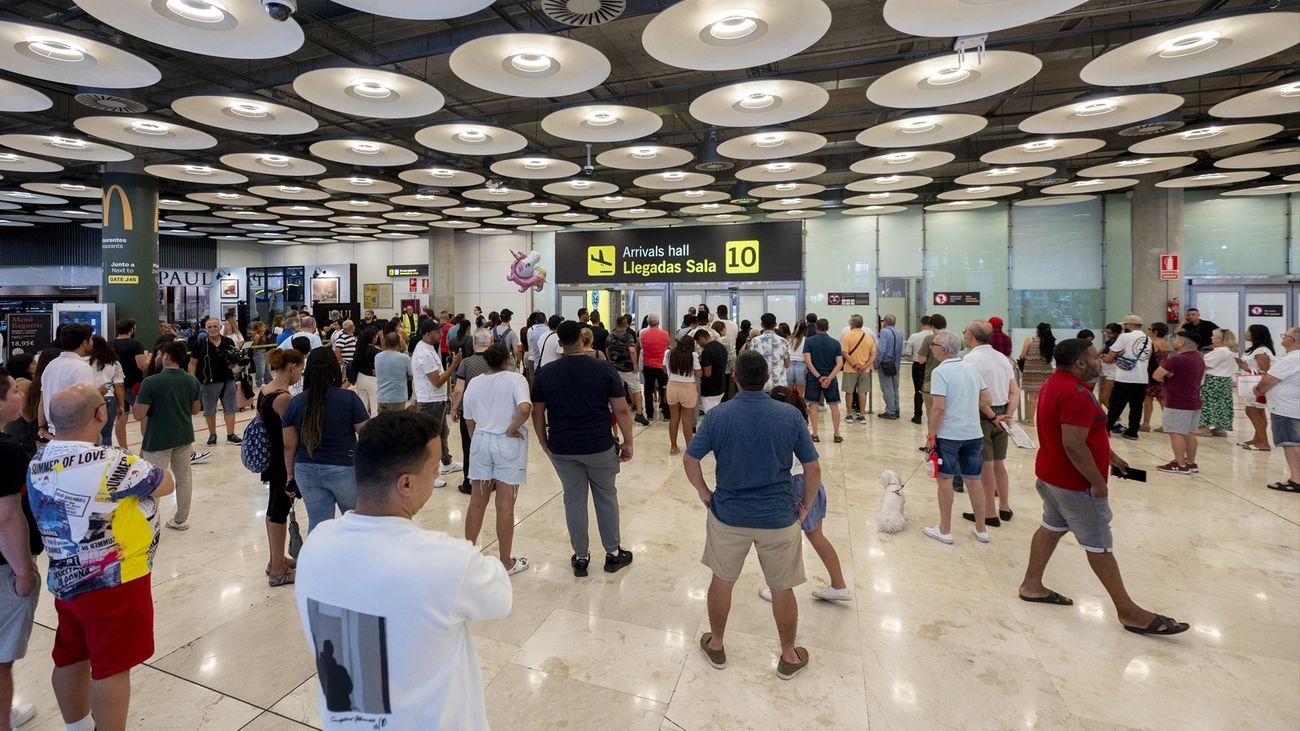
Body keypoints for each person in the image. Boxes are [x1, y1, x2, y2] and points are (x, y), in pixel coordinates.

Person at [293, 409, 512, 730]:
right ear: (406, 483)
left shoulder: (315, 546)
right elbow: (501, 598)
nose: (439, 473)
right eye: (435, 468)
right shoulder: (445, 561)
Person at [1017, 339, 1189, 637]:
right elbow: (1073, 444)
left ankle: (1031, 585)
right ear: (1081, 363)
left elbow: (1079, 436)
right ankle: (1129, 612)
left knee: (1051, 527)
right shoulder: (1075, 395)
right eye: (1096, 357)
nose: (1102, 360)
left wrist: (1111, 456)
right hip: (1075, 484)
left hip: (1051, 476)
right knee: (1099, 545)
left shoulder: (1055, 384)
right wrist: (1097, 481)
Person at [29, 383, 175, 731]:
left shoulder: (38, 461)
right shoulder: (111, 462)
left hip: (65, 579)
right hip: (116, 580)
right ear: (101, 413)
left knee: (70, 654)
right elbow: (165, 482)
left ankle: (76, 727)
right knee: (112, 665)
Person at [683, 351, 821, 680]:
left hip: (728, 516)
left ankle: (716, 644)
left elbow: (690, 460)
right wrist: (804, 504)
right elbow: (813, 468)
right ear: (767, 378)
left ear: (735, 377)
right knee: (783, 588)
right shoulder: (789, 416)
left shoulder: (718, 416)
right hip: (778, 517)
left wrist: (705, 493)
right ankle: (788, 655)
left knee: (721, 580)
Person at [530, 321, 635, 578]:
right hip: (599, 444)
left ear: (560, 342)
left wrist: (543, 441)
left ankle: (580, 557)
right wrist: (629, 441)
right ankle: (612, 554)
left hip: (563, 446)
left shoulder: (546, 373)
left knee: (573, 499)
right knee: (606, 496)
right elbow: (621, 409)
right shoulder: (603, 368)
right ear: (581, 338)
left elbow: (537, 412)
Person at [757, 386, 849, 604]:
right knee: (816, 537)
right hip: (811, 486)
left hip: (792, 486)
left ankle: (778, 587)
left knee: (783, 540)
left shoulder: (779, 428)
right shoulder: (800, 424)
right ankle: (839, 585)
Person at [462, 344, 531, 576]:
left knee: (476, 502)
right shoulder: (515, 380)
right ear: (507, 358)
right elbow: (524, 408)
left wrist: (477, 441)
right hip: (507, 443)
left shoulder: (474, 382)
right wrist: (512, 429)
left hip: (481, 440)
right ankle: (505, 561)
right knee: (505, 505)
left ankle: (469, 559)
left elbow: (468, 419)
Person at [283, 348, 370, 532]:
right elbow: (367, 434)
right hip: (344, 467)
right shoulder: (349, 398)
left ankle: (317, 558)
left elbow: (289, 445)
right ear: (335, 369)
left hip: (305, 469)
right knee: (356, 522)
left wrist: (290, 477)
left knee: (318, 523)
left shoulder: (295, 402)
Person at [923, 330, 994, 545]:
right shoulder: (970, 368)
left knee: (944, 479)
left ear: (943, 349)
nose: (931, 347)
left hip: (949, 435)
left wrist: (931, 437)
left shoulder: (940, 372)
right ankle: (981, 529)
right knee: (973, 480)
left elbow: (938, 409)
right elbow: (986, 398)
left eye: (933, 344)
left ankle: (945, 530)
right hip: (973, 433)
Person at [0, 366, 42, 731]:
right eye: (14, 390)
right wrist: (24, 571)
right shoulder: (6, 450)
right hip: (3, 568)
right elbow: (8, 517)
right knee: (1, 658)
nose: (20, 395)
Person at [134, 340, 201, 531]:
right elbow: (196, 410)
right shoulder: (192, 380)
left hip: (157, 439)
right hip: (184, 436)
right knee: (184, 478)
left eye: (157, 355)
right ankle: (181, 519)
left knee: (153, 481)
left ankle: (149, 521)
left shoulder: (151, 382)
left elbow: (139, 414)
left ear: (165, 357)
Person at [960, 321, 1019, 527]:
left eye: (966, 331)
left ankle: (989, 513)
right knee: (999, 463)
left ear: (971, 336)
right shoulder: (1003, 358)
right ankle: (1004, 506)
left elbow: (975, 394)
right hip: (1003, 413)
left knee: (986, 465)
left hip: (984, 415)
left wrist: (993, 417)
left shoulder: (970, 359)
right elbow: (1014, 390)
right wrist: (1008, 415)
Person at [259, 348, 305, 587]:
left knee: (272, 509)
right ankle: (278, 571)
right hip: (282, 463)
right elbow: (290, 441)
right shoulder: (284, 398)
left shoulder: (265, 390)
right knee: (279, 513)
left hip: (271, 459)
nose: (301, 374)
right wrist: (291, 474)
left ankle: (275, 560)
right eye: (301, 369)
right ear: (292, 367)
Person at [413, 321, 463, 484]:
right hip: (430, 401)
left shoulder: (428, 349)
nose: (441, 334)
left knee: (442, 433)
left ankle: (447, 462)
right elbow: (437, 381)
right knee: (431, 438)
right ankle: (428, 474)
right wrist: (454, 365)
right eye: (437, 332)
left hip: (437, 400)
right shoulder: (424, 354)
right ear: (428, 334)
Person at [1152, 329, 1207, 475]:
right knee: (1189, 433)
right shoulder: (1199, 359)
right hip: (1194, 400)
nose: (1175, 342)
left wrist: (1167, 376)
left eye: (1176, 339)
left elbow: (1157, 375)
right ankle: (1190, 462)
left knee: (1175, 432)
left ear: (1181, 342)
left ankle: (1180, 464)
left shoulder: (1177, 359)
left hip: (1177, 401)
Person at [1255, 327, 1300, 492]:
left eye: (1285, 335)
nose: (1283, 338)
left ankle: (1296, 480)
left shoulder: (1291, 359)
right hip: (1293, 405)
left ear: (1292, 340)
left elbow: (1268, 380)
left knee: (1291, 443)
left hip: (1287, 408)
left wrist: (1258, 389)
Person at [188, 318, 242, 447]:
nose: (212, 329)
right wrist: (192, 380)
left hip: (227, 380)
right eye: (209, 327)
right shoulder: (200, 343)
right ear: (206, 328)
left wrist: (233, 363)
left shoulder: (228, 342)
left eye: (215, 326)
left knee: (230, 408)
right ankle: (212, 435)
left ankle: (231, 434)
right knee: (209, 410)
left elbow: (233, 362)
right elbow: (192, 363)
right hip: (208, 382)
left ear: (220, 327)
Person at [452, 330, 493, 495]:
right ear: (490, 342)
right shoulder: (494, 362)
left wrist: (455, 408)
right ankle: (491, 481)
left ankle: (469, 483)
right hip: (491, 412)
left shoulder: (466, 363)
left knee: (469, 446)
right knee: (490, 446)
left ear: (474, 343)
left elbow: (459, 390)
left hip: (470, 412)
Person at [39, 324, 95, 438]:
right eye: (91, 339)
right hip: (76, 432)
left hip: (54, 431)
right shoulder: (81, 367)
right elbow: (86, 402)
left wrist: (42, 427)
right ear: (85, 342)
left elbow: (42, 400)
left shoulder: (51, 365)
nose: (92, 342)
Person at [1103, 314, 1151, 440]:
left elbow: (1109, 358)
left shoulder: (1125, 336)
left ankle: (1105, 429)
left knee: (1116, 404)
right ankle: (1133, 431)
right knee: (1136, 406)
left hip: (1125, 377)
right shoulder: (1147, 339)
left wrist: (1106, 357)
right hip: (1142, 378)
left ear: (1129, 325)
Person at [803, 319, 845, 444]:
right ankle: (837, 434)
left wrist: (819, 377)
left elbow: (808, 361)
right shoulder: (835, 343)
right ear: (828, 327)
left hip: (814, 378)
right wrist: (829, 377)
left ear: (816, 327)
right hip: (830, 379)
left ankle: (815, 434)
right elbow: (839, 363)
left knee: (813, 406)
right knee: (834, 406)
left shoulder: (809, 341)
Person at [110, 319, 149, 449]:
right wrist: (149, 358)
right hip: (134, 385)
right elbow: (142, 365)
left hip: (116, 385)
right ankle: (146, 446)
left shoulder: (110, 344)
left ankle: (124, 449)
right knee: (144, 416)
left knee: (121, 417)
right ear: (132, 329)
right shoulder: (136, 344)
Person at [607, 314, 650, 426]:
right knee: (636, 390)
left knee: (616, 390)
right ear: (626, 324)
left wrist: (610, 361)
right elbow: (632, 350)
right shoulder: (628, 336)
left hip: (614, 367)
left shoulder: (610, 336)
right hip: (627, 368)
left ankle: (615, 411)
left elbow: (607, 350)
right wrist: (635, 365)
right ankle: (639, 414)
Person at [1239, 324, 1276, 452]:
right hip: (1252, 385)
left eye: (1249, 331)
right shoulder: (1254, 349)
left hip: (1258, 386)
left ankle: (1264, 442)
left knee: (1252, 410)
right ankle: (1258, 438)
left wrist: (1246, 368)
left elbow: (1265, 371)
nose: (1246, 333)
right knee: (1258, 412)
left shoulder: (1262, 351)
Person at [664, 335, 703, 455]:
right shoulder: (693, 356)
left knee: (674, 418)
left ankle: (673, 447)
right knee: (687, 420)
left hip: (672, 386)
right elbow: (699, 374)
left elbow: (664, 369)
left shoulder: (669, 353)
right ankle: (689, 448)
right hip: (688, 388)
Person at [1199, 329, 1238, 438]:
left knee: (1207, 403)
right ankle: (1219, 428)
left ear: (1220, 339)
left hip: (1213, 380)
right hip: (1225, 380)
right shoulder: (1230, 351)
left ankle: (1204, 428)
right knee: (1222, 404)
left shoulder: (1220, 351)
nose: (1211, 338)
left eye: (1213, 336)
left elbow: (1206, 364)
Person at [88, 336, 125, 448]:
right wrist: (121, 405)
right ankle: (105, 460)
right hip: (109, 399)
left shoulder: (84, 362)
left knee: (89, 435)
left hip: (89, 399)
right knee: (107, 435)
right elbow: (118, 385)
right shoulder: (114, 362)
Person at [840, 315, 877, 423]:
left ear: (852, 324)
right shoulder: (868, 337)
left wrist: (854, 364)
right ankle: (862, 415)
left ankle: (849, 415)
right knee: (862, 392)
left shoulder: (847, 336)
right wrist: (865, 366)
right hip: (864, 370)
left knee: (849, 392)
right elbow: (873, 354)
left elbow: (844, 353)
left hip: (849, 369)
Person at [1018, 322, 1056, 426]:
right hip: (1046, 371)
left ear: (1037, 330)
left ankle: (1030, 420)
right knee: (1044, 397)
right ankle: (1045, 419)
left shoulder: (1030, 340)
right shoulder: (1051, 342)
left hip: (1031, 371)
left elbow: (1022, 355)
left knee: (1033, 397)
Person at [746, 313, 791, 393]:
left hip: (760, 384)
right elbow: (787, 364)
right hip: (779, 384)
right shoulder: (784, 342)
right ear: (776, 325)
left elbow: (751, 362)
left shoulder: (755, 341)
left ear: (762, 325)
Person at [1140, 322, 1171, 433]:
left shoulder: (1153, 343)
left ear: (1155, 332)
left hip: (1152, 374)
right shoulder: (1166, 344)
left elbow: (1146, 358)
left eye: (1149, 329)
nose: (1147, 331)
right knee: (1162, 399)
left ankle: (1146, 423)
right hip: (1162, 373)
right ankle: (1168, 424)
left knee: (1148, 398)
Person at [918, 314, 949, 425]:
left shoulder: (929, 339)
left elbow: (921, 360)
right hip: (951, 380)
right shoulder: (954, 338)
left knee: (932, 414)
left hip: (931, 380)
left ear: (932, 326)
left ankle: (933, 439)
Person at [639, 314, 670, 422]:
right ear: (658, 322)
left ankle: (650, 414)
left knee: (648, 390)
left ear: (648, 322)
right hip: (661, 366)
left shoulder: (642, 334)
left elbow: (641, 347)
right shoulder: (665, 334)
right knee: (664, 390)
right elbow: (667, 346)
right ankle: (666, 414)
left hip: (647, 365)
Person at [904, 316, 933, 424]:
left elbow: (908, 353)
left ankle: (917, 416)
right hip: (933, 366)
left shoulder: (914, 336)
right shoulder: (935, 336)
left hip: (918, 366)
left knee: (918, 391)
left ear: (921, 323)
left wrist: (914, 358)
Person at [375, 332, 412, 413]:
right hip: (397, 398)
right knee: (396, 423)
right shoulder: (404, 358)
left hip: (382, 397)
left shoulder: (378, 357)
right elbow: (411, 375)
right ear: (398, 343)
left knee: (383, 424)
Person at [696, 328, 728, 418]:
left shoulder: (707, 351)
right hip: (721, 385)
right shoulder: (722, 347)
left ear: (701, 338)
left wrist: (698, 371)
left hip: (710, 389)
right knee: (717, 413)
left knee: (711, 416)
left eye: (698, 342)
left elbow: (707, 373)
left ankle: (714, 431)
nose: (699, 345)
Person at [876, 314, 903, 420]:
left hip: (886, 364)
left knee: (887, 388)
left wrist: (877, 362)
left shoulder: (884, 332)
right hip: (896, 364)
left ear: (885, 322)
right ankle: (896, 410)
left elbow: (882, 350)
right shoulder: (899, 333)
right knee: (895, 388)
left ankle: (890, 411)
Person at [350, 326, 380, 417]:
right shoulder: (376, 352)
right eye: (376, 335)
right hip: (372, 379)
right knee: (375, 405)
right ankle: (375, 427)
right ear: (373, 337)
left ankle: (361, 426)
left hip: (360, 378)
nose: (377, 337)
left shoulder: (359, 349)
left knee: (362, 405)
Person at [1097, 323, 1122, 407]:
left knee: (1104, 397)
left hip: (1113, 371)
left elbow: (1109, 360)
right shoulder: (1108, 342)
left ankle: (1115, 417)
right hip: (1104, 370)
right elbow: (1098, 354)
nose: (1107, 335)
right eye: (1106, 332)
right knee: (1101, 397)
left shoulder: (1119, 343)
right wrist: (1103, 356)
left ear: (1116, 333)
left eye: (1109, 333)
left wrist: (1104, 357)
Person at [712, 320, 737, 401]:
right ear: (721, 330)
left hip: (713, 370)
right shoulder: (726, 340)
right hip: (725, 370)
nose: (726, 330)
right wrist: (734, 370)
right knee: (724, 393)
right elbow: (731, 356)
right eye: (725, 328)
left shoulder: (712, 341)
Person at [785, 321, 808, 397]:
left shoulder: (788, 339)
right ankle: (798, 407)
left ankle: (789, 407)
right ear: (805, 329)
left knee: (788, 394)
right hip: (802, 366)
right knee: (799, 396)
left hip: (789, 366)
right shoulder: (807, 340)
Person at [249, 320, 274, 388]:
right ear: (259, 327)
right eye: (263, 326)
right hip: (259, 353)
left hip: (265, 352)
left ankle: (268, 380)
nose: (265, 328)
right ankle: (259, 382)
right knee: (261, 369)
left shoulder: (263, 334)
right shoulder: (257, 335)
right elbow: (255, 346)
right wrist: (254, 354)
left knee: (267, 367)